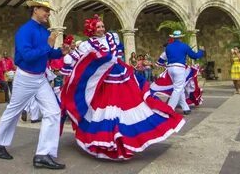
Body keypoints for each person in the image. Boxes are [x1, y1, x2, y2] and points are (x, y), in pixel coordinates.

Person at [60, 15, 185, 160]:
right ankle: (109, 141)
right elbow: (74, 59)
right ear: (92, 30)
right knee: (106, 110)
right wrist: (68, 57)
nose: (101, 29)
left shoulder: (112, 38)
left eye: (102, 26)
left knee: (131, 105)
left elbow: (118, 54)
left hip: (122, 77)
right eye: (98, 27)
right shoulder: (87, 45)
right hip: (104, 83)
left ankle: (126, 138)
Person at [0, 0, 70, 169]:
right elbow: (27, 56)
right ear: (35, 9)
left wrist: (60, 51)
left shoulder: (44, 31)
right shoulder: (25, 30)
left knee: (53, 112)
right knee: (14, 110)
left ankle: (43, 154)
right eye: (45, 10)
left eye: (49, 10)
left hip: (40, 78)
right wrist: (48, 45)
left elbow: (48, 54)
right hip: (25, 77)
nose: (48, 13)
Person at [165, 30, 205, 115]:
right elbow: (194, 56)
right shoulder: (184, 46)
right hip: (179, 68)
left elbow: (167, 57)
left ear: (173, 37)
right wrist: (201, 51)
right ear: (180, 37)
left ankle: (185, 108)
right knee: (178, 89)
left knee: (180, 88)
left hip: (170, 68)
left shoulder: (168, 47)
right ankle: (169, 108)